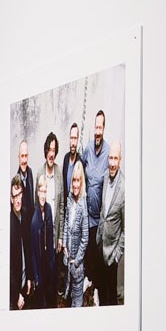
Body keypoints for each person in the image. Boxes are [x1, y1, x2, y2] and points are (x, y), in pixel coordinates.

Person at [82, 109, 111, 302]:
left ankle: (98, 291)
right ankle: (89, 283)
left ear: (104, 128)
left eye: (100, 127)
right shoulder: (87, 149)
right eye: (96, 127)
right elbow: (81, 168)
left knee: (99, 257)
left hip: (100, 218)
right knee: (89, 253)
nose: (97, 131)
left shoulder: (108, 152)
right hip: (88, 215)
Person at [98, 145, 124, 306]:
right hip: (100, 245)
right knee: (101, 292)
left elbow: (126, 230)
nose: (112, 163)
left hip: (112, 254)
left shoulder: (124, 188)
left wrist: (117, 255)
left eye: (115, 158)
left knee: (111, 297)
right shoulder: (106, 176)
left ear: (120, 161)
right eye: (110, 158)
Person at [63, 161, 88, 307]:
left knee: (77, 301)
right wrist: (65, 245)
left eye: (78, 180)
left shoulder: (83, 206)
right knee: (69, 292)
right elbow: (67, 223)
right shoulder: (69, 199)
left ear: (82, 182)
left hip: (77, 263)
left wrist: (77, 261)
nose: (75, 184)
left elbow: (85, 238)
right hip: (68, 258)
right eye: (74, 180)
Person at [27, 176, 55, 308]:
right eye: (41, 191)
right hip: (40, 265)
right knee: (42, 301)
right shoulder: (34, 221)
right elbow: (33, 253)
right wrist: (36, 276)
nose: (43, 195)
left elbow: (51, 238)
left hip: (49, 262)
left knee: (51, 297)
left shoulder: (49, 209)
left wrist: (52, 263)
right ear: (37, 193)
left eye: (45, 191)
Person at [9, 176, 27, 310]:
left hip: (24, 284)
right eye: (15, 196)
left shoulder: (24, 216)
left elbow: (27, 249)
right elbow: (9, 268)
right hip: (16, 293)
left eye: (19, 194)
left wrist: (29, 278)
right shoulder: (10, 225)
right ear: (11, 198)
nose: (18, 200)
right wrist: (16, 295)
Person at [13, 141, 35, 234]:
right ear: (18, 156)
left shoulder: (30, 172)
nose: (24, 160)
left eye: (26, 156)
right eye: (22, 156)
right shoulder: (16, 182)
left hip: (31, 228)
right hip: (22, 231)